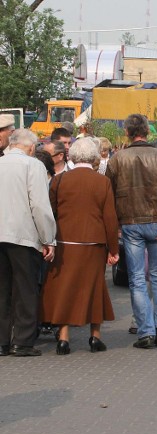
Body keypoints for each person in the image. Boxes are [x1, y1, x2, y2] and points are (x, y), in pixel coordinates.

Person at [106, 114, 157, 349]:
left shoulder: (117, 159)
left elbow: (108, 194)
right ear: (147, 133)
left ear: (128, 132)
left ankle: (146, 332)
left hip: (130, 223)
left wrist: (115, 225)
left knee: (138, 279)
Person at [40, 138, 119, 355]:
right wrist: (114, 249)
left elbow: (51, 213)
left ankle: (63, 338)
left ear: (71, 156)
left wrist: (47, 240)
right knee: (93, 288)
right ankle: (95, 336)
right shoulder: (102, 182)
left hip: (65, 241)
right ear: (94, 158)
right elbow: (110, 219)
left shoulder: (59, 180)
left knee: (65, 288)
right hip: (94, 243)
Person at [0, 129, 56, 356]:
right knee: (25, 288)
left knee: (2, 289)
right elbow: (40, 206)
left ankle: (2, 341)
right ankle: (22, 341)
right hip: (23, 236)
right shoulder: (33, 166)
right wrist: (48, 238)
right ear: (31, 147)